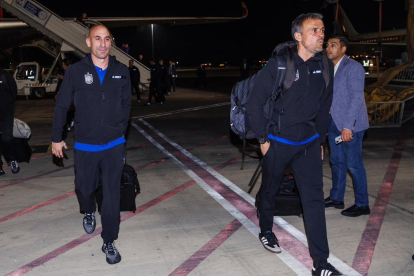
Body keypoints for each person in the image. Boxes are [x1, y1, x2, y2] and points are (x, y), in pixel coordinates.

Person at [246, 13, 343, 276]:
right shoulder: (279, 65)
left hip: (309, 144)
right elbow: (254, 103)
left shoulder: (325, 66)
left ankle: (320, 262)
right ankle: (266, 229)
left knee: (313, 201)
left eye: (322, 30)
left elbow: (325, 107)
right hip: (278, 142)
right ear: (298, 36)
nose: (321, 35)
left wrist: (321, 140)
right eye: (314, 30)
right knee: (270, 190)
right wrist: (263, 140)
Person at [51, 25, 131, 265]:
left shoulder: (121, 71)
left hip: (114, 145)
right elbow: (62, 106)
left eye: (107, 39)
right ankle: (87, 210)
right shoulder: (76, 71)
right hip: (85, 145)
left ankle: (109, 240)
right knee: (85, 189)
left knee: (111, 196)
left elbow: (127, 105)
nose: (103, 43)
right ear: (88, 42)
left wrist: (120, 130)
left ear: (111, 43)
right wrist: (57, 136)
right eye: (98, 39)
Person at [325, 35, 370, 217]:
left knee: (354, 165)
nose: (328, 48)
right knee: (336, 162)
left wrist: (348, 126)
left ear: (343, 49)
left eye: (333, 45)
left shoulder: (353, 67)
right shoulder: (329, 68)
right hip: (333, 123)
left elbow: (356, 98)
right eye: (327, 45)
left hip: (350, 125)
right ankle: (336, 197)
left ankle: (362, 204)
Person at [0, 67, 20, 175]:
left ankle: (12, 160)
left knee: (7, 138)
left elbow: (14, 90)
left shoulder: (5, 75)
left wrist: (8, 105)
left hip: (6, 113)